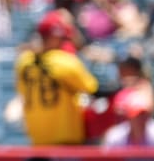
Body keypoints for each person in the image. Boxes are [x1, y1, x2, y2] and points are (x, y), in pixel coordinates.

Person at [15, 10, 99, 145]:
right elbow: (93, 89)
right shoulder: (65, 61)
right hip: (67, 143)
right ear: (54, 38)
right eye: (63, 38)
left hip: (38, 143)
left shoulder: (23, 61)